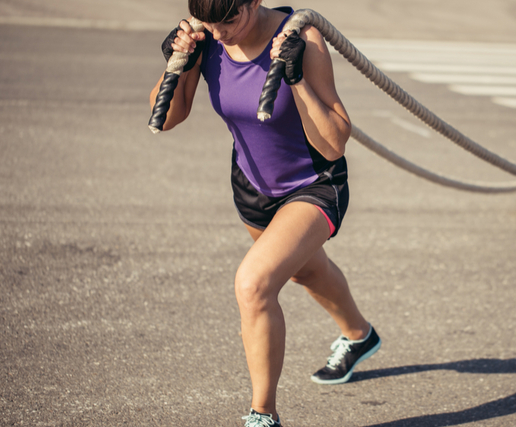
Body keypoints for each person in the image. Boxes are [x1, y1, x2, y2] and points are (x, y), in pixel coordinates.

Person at [149, 1, 381, 425]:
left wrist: (295, 79)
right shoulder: (208, 38)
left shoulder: (300, 38)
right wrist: (177, 64)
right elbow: (167, 119)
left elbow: (333, 143)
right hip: (253, 188)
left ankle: (262, 415)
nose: (219, 33)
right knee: (304, 271)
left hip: (313, 185)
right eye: (211, 23)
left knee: (254, 285)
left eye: (230, 20)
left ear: (252, 2)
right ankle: (359, 335)